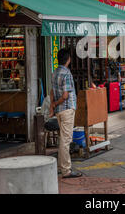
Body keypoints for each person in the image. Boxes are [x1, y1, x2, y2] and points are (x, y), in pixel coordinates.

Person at [49, 49, 82, 178]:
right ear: (68, 59)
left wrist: (53, 105)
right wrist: (56, 103)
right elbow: (65, 95)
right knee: (65, 140)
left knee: (62, 139)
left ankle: (60, 166)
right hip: (66, 109)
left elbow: (52, 91)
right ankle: (66, 170)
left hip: (59, 111)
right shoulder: (66, 73)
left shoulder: (54, 72)